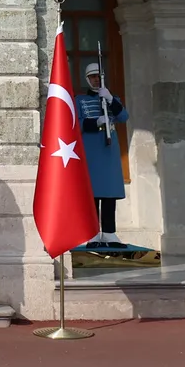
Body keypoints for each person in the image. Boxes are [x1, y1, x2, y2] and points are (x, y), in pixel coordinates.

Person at [75, 62, 129, 248]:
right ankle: (92, 232)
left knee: (109, 193)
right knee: (92, 193)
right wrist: (96, 121)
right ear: (87, 79)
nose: (96, 79)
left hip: (109, 151)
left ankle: (109, 232)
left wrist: (111, 100)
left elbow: (123, 117)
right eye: (92, 77)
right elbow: (76, 123)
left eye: (98, 76)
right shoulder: (80, 100)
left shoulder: (112, 98)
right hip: (92, 150)